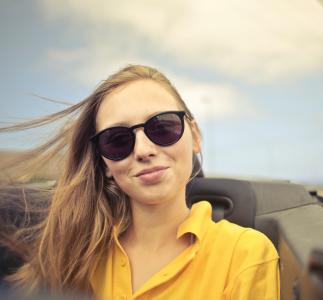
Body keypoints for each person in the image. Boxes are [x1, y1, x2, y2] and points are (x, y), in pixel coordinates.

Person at [0, 65, 279, 299]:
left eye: (163, 127)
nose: (143, 150)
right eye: (118, 140)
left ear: (194, 136)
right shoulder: (76, 254)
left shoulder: (246, 254)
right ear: (105, 164)